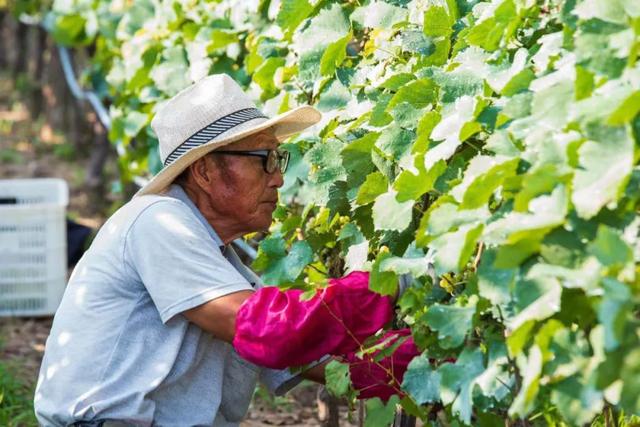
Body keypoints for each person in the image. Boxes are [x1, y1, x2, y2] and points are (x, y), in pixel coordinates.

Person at [34, 74, 418, 426]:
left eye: (278, 159)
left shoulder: (223, 265)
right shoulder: (157, 222)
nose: (279, 178)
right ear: (204, 172)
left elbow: (327, 363)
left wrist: (435, 358)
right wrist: (392, 279)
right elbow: (272, 331)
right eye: (264, 160)